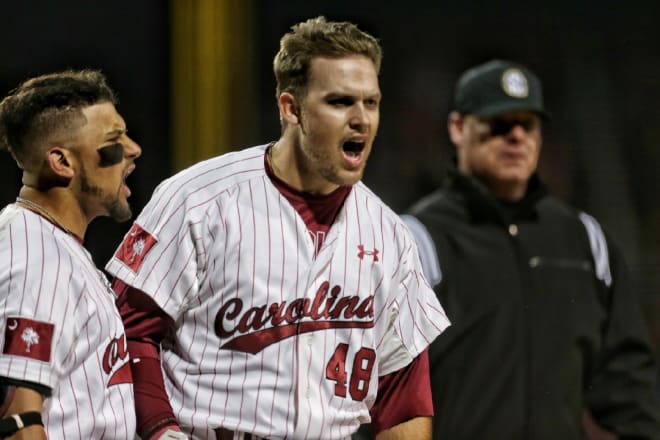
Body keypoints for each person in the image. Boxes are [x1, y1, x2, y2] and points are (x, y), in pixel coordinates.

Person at [105, 16, 449, 440]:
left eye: (371, 102)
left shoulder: (390, 234)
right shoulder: (199, 200)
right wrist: (159, 428)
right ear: (291, 109)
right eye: (340, 102)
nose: (362, 119)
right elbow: (126, 330)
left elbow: (402, 396)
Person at [402, 59, 660, 439]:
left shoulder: (584, 240)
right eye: (499, 123)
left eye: (528, 123)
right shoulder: (416, 240)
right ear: (458, 128)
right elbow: (376, 386)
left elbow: (628, 381)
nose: (516, 136)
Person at [0, 69, 142, 438]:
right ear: (62, 162)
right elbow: (16, 417)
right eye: (113, 140)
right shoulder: (35, 257)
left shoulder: (53, 244)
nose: (132, 149)